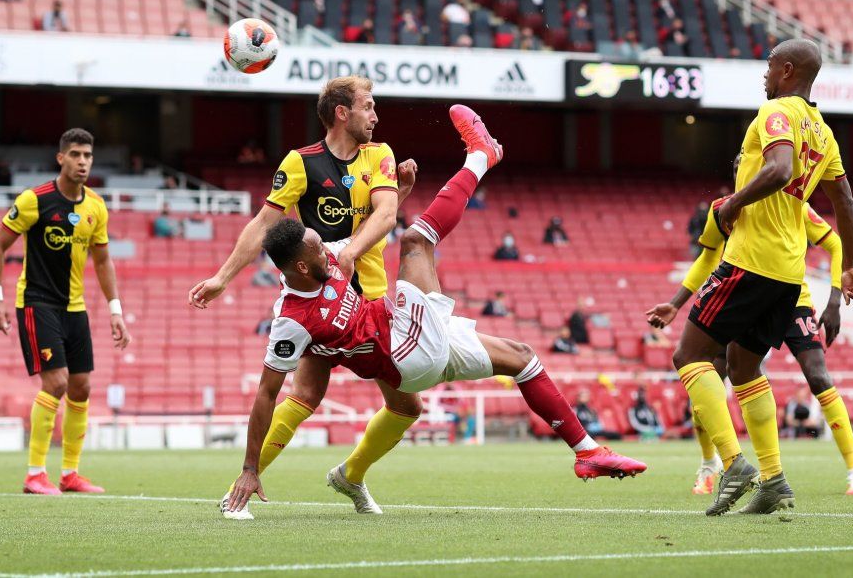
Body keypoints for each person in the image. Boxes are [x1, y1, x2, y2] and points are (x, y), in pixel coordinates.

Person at [222, 105, 646, 517]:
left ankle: (587, 451)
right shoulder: (292, 321)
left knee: (522, 358)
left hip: (407, 344)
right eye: (319, 249)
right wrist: (248, 468)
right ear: (301, 267)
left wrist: (400, 195)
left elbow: (370, 229)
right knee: (416, 241)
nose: (330, 249)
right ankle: (481, 156)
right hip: (405, 350)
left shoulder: (324, 256)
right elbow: (266, 393)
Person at [651, 39, 853, 515]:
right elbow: (846, 202)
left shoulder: (775, 113)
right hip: (789, 275)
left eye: (769, 66)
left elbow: (780, 168)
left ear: (787, 70)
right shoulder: (824, 133)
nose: (764, 74)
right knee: (744, 367)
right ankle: (774, 481)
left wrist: (733, 202)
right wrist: (850, 263)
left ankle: (732, 464)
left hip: (751, 262)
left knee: (689, 356)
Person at [190, 76, 420, 521]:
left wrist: (350, 252)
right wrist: (222, 277)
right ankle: (240, 489)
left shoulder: (380, 154)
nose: (375, 116)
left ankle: (351, 474)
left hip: (370, 302)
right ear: (342, 113)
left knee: (406, 406)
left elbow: (386, 214)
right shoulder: (300, 163)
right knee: (306, 393)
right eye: (368, 107)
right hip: (321, 302)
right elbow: (263, 224)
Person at [0, 128, 131, 495]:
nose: (83, 162)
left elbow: (103, 261)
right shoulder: (34, 200)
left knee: (81, 388)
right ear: (61, 158)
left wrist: (115, 310)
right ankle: (35, 473)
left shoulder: (95, 207)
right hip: (37, 303)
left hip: (75, 308)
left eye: (88, 156)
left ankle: (70, 474)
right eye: (76, 154)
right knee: (56, 383)